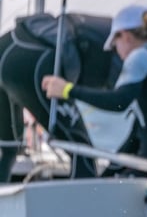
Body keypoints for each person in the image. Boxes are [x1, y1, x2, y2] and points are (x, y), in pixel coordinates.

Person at [40, 5, 147, 179]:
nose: (117, 53)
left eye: (114, 45)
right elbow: (134, 140)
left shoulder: (139, 57)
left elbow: (118, 102)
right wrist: (103, 177)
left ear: (125, 36)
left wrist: (67, 90)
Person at [0, 13, 119, 180]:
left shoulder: (114, 32)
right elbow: (118, 100)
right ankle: (84, 196)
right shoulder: (132, 55)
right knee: (82, 151)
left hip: (9, 43)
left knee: (10, 148)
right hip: (34, 60)